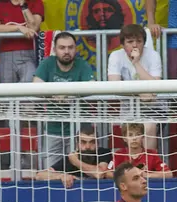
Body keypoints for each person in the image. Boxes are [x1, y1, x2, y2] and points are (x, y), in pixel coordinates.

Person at [33, 32, 95, 170]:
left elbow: (91, 86)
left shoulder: (82, 64)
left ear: (75, 49)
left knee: (81, 172)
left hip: (80, 132)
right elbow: (36, 85)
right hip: (53, 128)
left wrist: (64, 93)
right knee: (51, 173)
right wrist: (56, 93)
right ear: (55, 49)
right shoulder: (48, 63)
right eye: (62, 48)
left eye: (70, 47)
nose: (66, 51)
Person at [108, 24, 163, 151]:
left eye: (139, 41)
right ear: (122, 44)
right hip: (128, 110)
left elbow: (155, 87)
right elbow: (114, 86)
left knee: (148, 127)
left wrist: (136, 63)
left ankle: (150, 166)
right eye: (130, 41)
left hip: (154, 109)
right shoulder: (115, 56)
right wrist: (140, 93)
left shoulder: (153, 55)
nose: (135, 45)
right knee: (131, 133)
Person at [34, 124, 112, 188]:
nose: (88, 146)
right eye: (83, 142)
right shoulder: (70, 158)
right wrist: (61, 176)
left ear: (97, 144)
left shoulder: (103, 153)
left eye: (92, 142)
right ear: (77, 144)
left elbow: (99, 174)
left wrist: (76, 162)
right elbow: (39, 175)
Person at [0, 0, 44, 83]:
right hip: (6, 54)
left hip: (28, 53)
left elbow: (33, 27)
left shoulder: (36, 2)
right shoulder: (0, 3)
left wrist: (24, 6)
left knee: (29, 87)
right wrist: (18, 28)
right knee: (7, 92)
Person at [106, 123, 172, 179]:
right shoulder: (119, 154)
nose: (134, 138)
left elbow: (168, 174)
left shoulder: (151, 154)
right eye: (130, 135)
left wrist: (147, 175)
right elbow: (107, 173)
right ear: (124, 138)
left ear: (143, 137)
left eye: (138, 134)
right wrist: (126, 177)